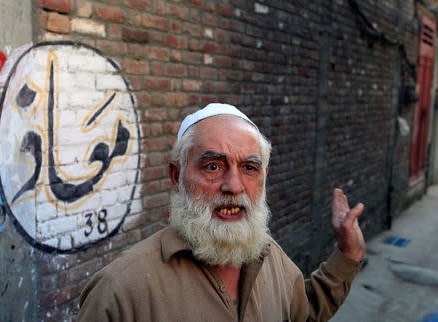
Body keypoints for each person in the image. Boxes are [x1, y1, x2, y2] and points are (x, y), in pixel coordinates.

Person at [78, 103, 366, 322]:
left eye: (249, 168)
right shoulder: (120, 292)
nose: (234, 185)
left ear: (263, 177)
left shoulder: (270, 256)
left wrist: (348, 255)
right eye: (213, 166)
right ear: (176, 175)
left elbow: (302, 313)